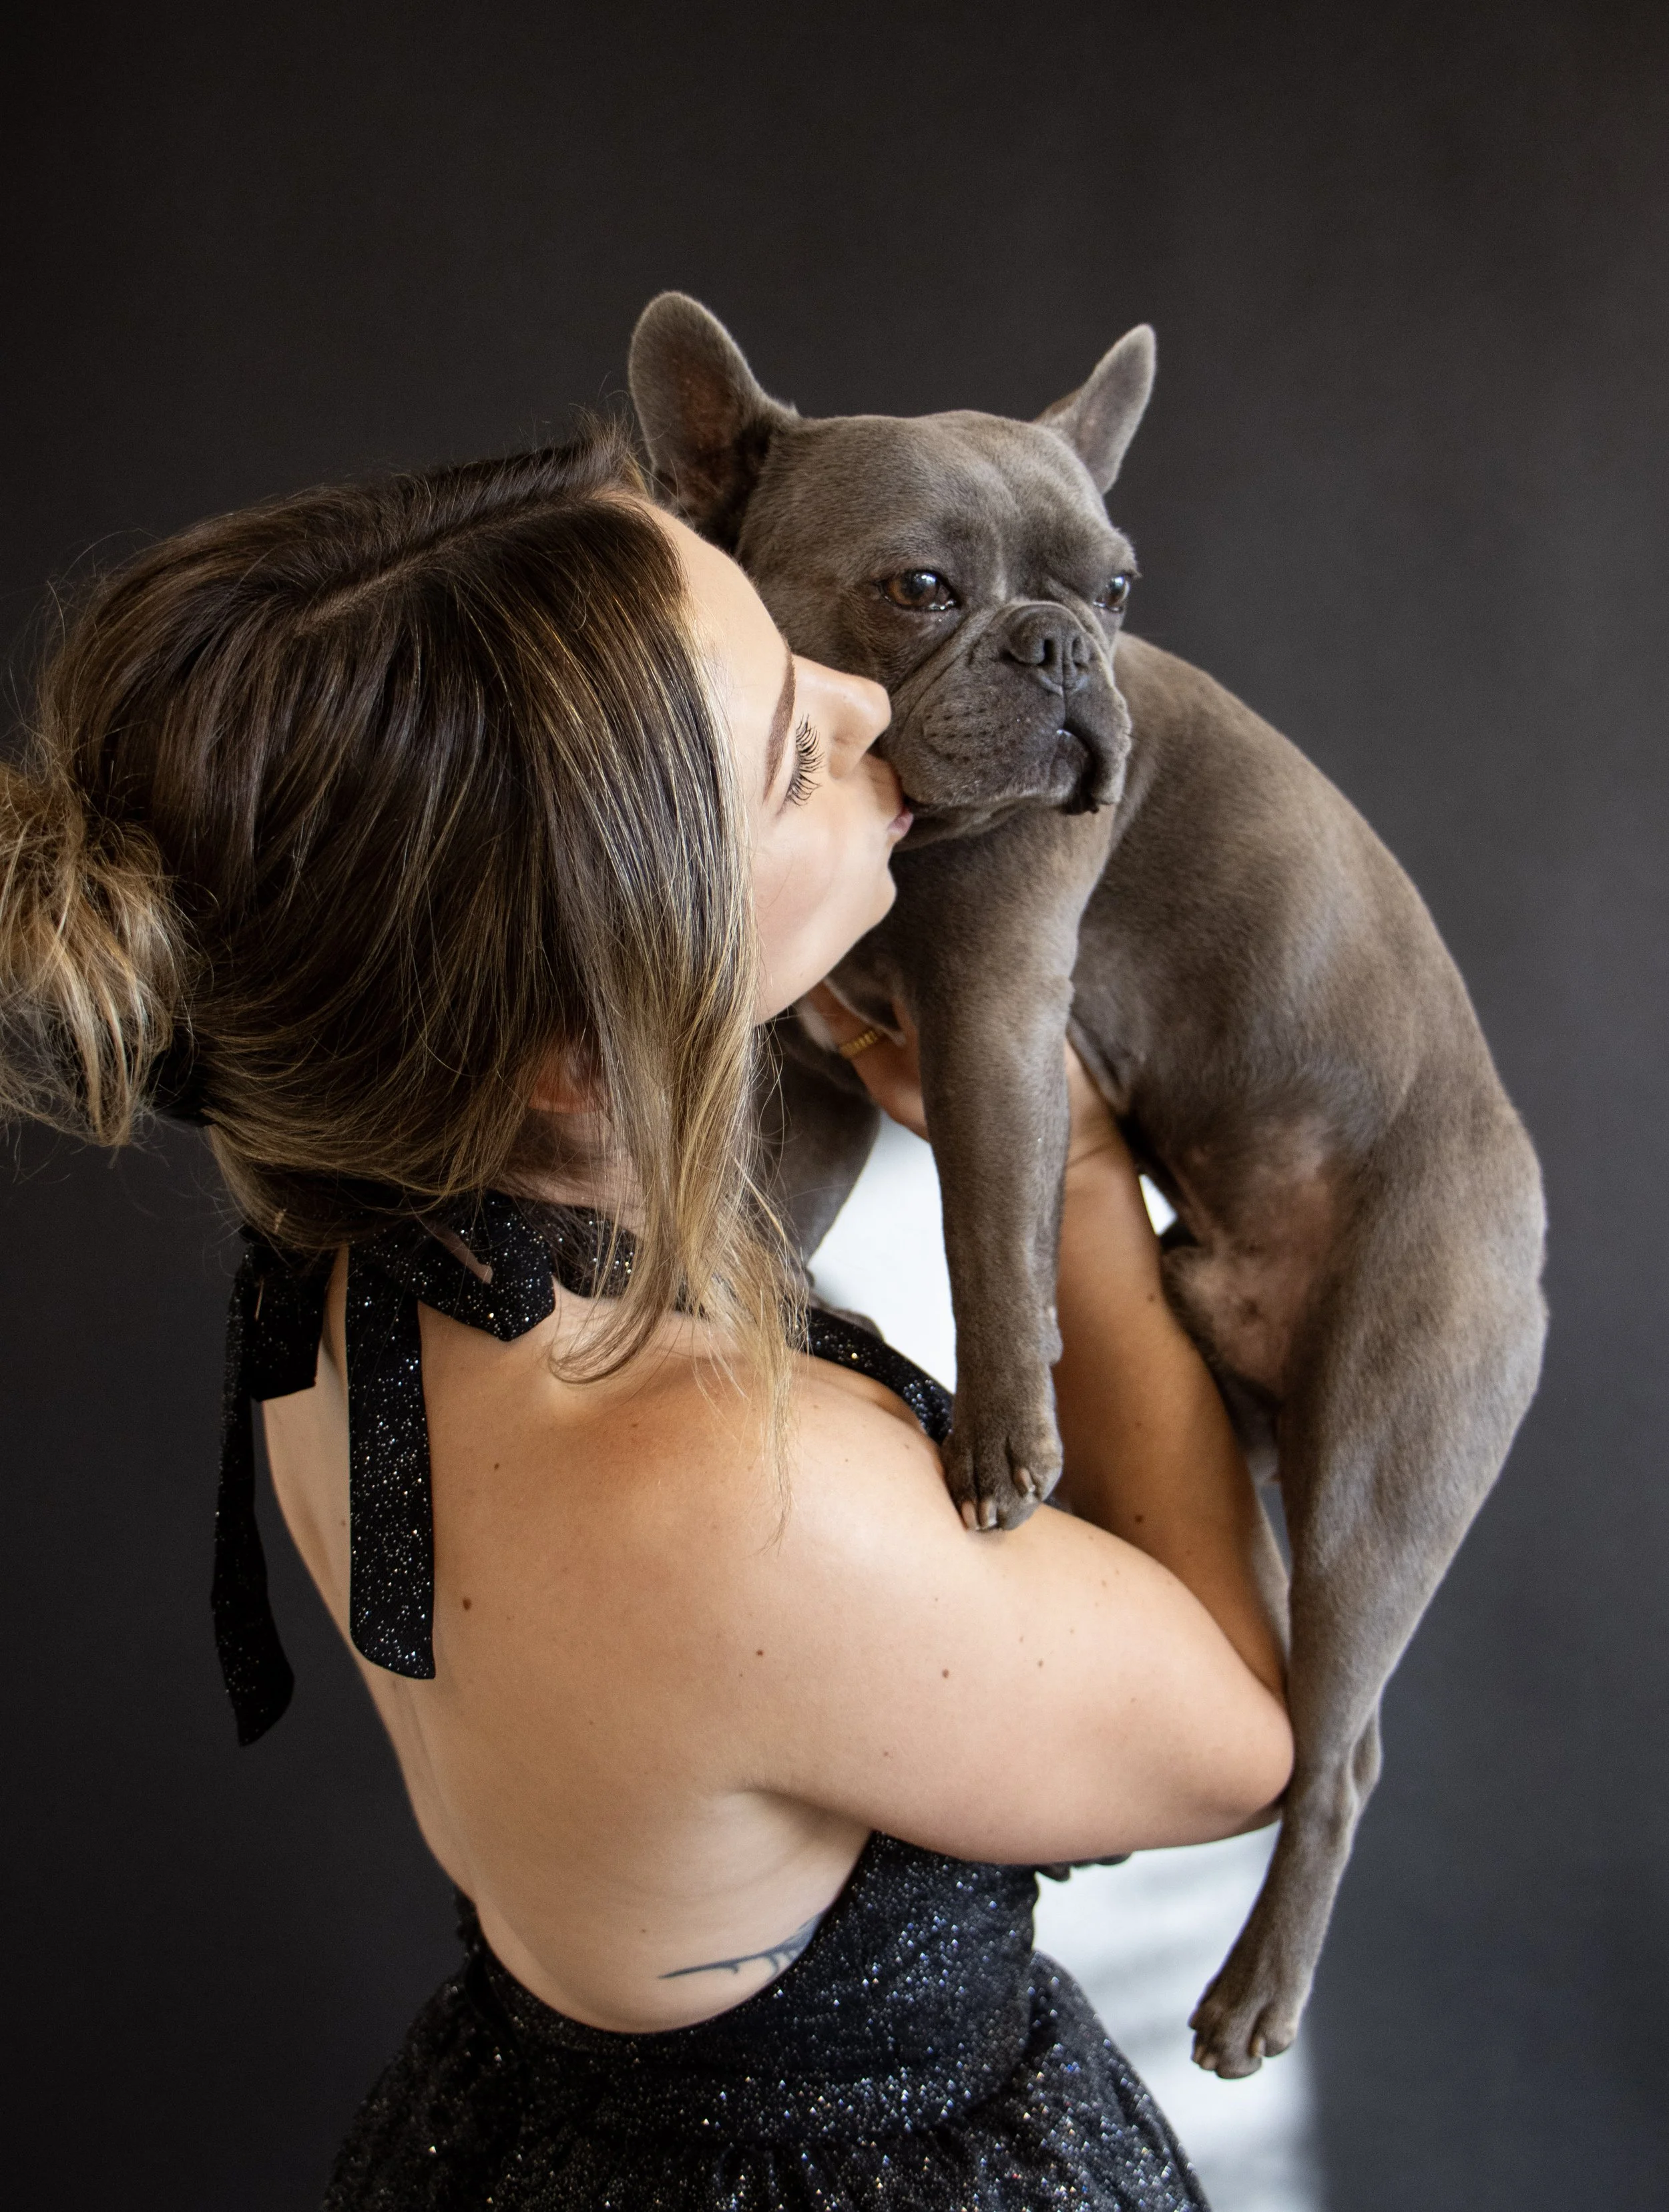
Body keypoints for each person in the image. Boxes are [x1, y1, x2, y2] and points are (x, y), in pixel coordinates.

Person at [0, 422, 1291, 2209]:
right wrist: (1064, 1167)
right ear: (566, 1041)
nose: (863, 705)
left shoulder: (333, 1264)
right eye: (788, 759)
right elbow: (1234, 1730)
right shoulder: (740, 1500)